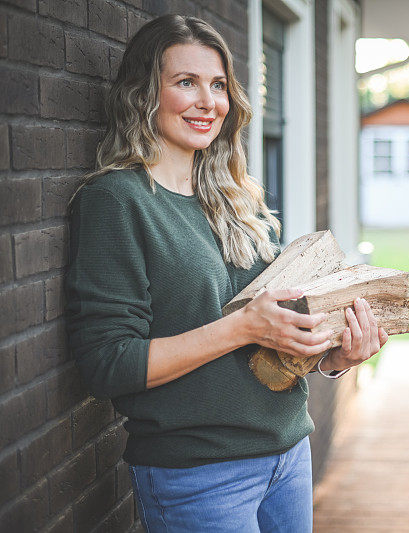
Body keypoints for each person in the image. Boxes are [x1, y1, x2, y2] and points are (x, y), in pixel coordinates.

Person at [64, 14, 387, 533]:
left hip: (288, 453)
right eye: (185, 82)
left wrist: (335, 355)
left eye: (217, 86)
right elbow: (108, 364)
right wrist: (242, 327)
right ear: (144, 93)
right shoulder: (116, 202)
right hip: (199, 476)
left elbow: (275, 335)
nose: (207, 102)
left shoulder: (237, 202)